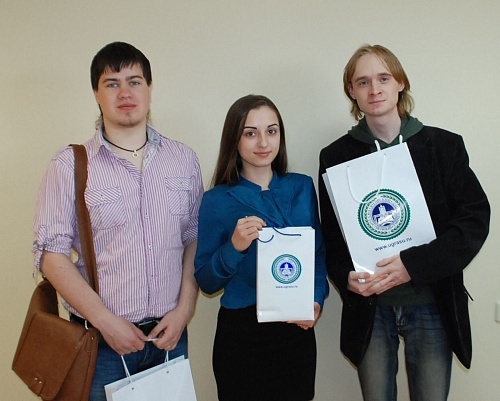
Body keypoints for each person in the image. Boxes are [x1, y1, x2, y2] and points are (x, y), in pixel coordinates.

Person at [32, 41, 203, 401]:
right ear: (96, 93)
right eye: (112, 84)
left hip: (169, 338)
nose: (125, 93)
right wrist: (106, 322)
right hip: (101, 345)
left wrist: (185, 310)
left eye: (134, 82)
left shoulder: (183, 159)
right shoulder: (69, 166)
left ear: (149, 88)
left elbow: (193, 238)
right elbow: (51, 255)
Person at [318, 44, 490, 401]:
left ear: (400, 83)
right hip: (371, 309)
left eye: (383, 78)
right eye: (363, 82)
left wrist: (414, 265)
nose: (374, 89)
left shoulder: (443, 147)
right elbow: (331, 237)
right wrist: (344, 275)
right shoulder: (335, 157)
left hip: (432, 303)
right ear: (351, 91)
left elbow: (474, 219)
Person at [194, 94, 329, 401]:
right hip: (242, 334)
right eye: (250, 133)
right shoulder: (216, 200)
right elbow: (206, 281)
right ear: (235, 139)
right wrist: (233, 247)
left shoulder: (302, 186)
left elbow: (318, 254)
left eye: (271, 131)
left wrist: (315, 299)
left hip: (295, 329)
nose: (263, 142)